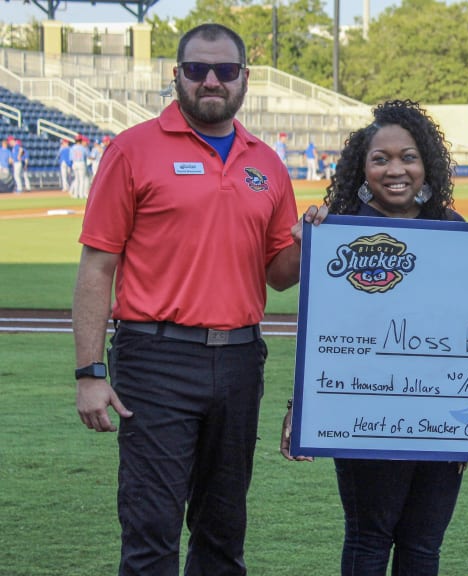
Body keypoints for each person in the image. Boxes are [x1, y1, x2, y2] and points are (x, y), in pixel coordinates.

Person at [73, 23, 307, 575]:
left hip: (240, 359)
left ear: (244, 79)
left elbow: (278, 274)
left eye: (224, 71)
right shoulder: (132, 149)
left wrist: (312, 243)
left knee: (223, 532)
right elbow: (96, 266)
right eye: (197, 69)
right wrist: (89, 369)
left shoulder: (266, 162)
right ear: (175, 75)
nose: (210, 81)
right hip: (156, 358)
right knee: (151, 530)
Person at [280, 99, 466, 576]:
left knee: (424, 545)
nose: (395, 169)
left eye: (408, 156)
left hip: (443, 412)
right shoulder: (337, 230)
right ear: (362, 169)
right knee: (369, 540)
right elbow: (323, 328)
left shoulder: (454, 230)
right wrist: (302, 404)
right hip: (365, 408)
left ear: (427, 164)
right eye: (380, 159)